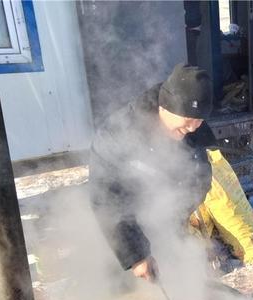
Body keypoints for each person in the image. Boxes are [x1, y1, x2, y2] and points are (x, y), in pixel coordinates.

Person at [90, 63, 216, 281]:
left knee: (172, 284)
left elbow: (199, 176)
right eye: (186, 123)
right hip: (121, 234)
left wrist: (176, 219)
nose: (193, 128)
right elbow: (105, 201)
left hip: (164, 227)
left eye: (199, 121)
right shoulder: (118, 133)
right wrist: (135, 255)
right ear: (165, 107)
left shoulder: (192, 131)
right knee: (125, 293)